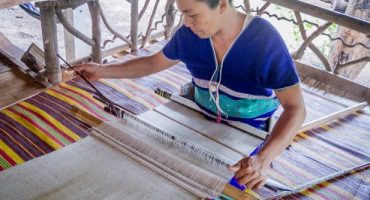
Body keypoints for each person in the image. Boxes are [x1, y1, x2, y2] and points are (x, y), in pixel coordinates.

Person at [74, 0, 306, 190]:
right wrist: (102, 71)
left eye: (192, 14)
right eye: (182, 14)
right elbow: (154, 62)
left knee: (233, 184)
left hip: (247, 127)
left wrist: (263, 159)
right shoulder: (189, 35)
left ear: (222, 5)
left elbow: (296, 108)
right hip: (197, 113)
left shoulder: (263, 40)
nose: (186, 23)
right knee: (148, 163)